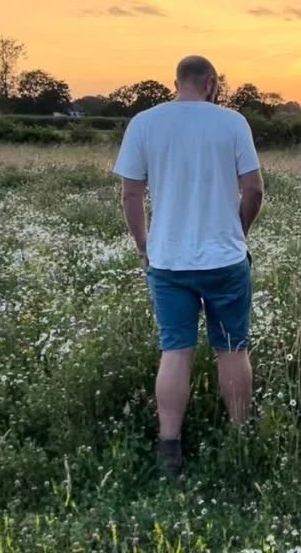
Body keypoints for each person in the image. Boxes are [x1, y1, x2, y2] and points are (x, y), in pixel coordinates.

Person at [112, 55, 265, 479]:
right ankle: (239, 437)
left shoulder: (144, 123)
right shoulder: (232, 123)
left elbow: (130, 194)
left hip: (168, 261)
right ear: (211, 82)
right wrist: (238, 230)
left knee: (175, 351)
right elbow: (253, 189)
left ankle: (169, 450)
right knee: (232, 350)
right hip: (225, 259)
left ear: (176, 82)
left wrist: (145, 245)